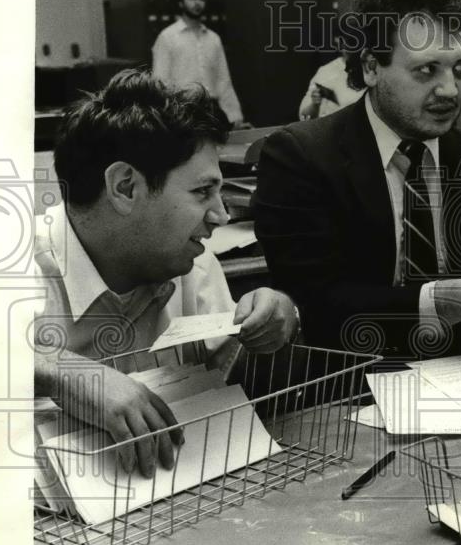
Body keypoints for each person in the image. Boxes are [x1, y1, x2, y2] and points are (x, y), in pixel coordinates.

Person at [254, 0, 461, 355]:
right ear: (372, 67)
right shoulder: (300, 157)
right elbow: (315, 304)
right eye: (427, 70)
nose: (449, 90)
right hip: (353, 386)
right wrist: (440, 300)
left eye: (459, 68)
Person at [34, 70, 299, 478]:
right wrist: (58, 368)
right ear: (125, 187)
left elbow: (224, 389)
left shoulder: (190, 260)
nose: (222, 215)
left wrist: (272, 323)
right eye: (201, 192)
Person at [152, 0, 247, 127]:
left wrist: (235, 116)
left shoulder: (213, 38)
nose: (197, 3)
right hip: (181, 112)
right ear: (180, 3)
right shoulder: (167, 37)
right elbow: (160, 82)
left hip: (211, 111)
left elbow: (223, 80)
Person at [298, 55, 365, 120]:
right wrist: (315, 105)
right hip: (324, 127)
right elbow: (304, 117)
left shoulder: (367, 72)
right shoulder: (324, 71)